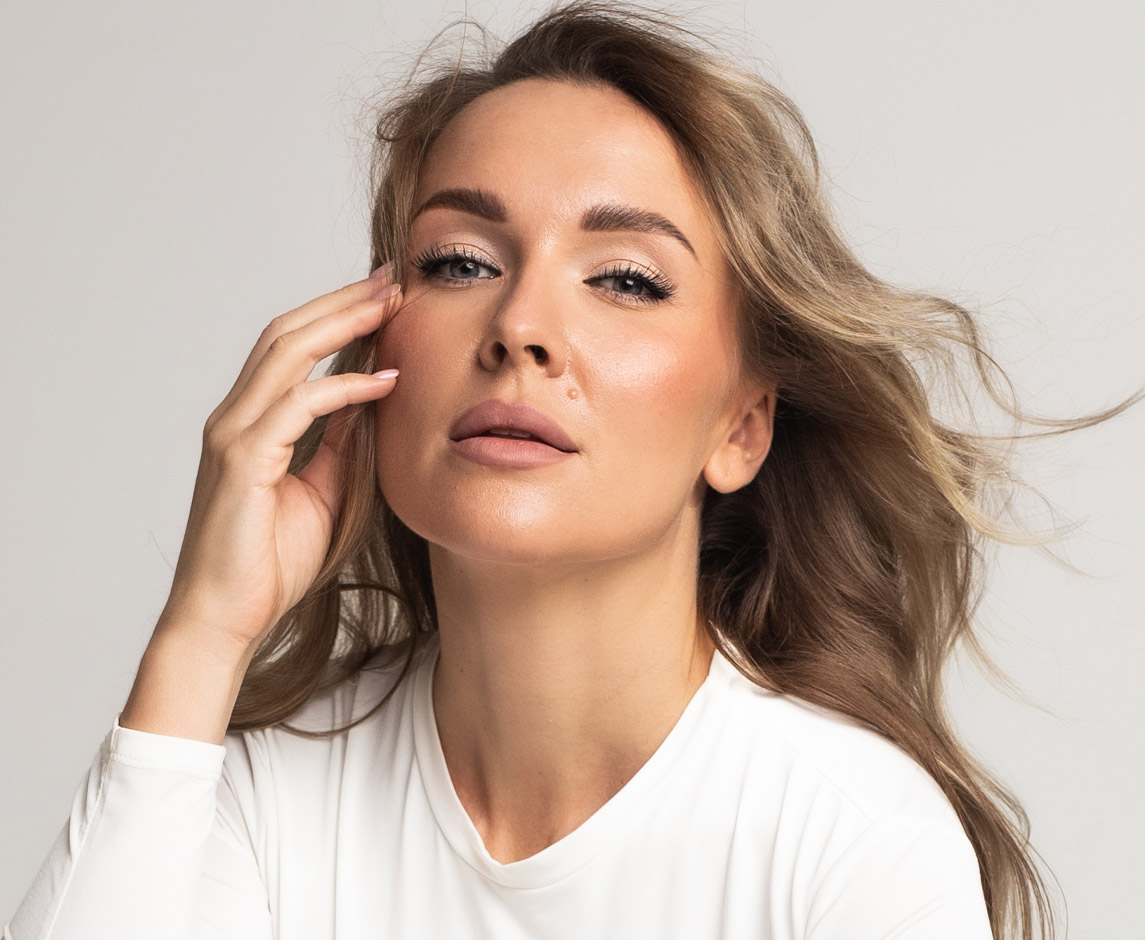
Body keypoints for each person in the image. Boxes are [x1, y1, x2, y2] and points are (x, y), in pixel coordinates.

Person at [8, 2, 1115, 937]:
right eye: (459, 262)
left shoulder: (850, 839)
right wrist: (203, 634)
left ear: (740, 426)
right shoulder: (262, 797)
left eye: (625, 278)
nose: (520, 325)